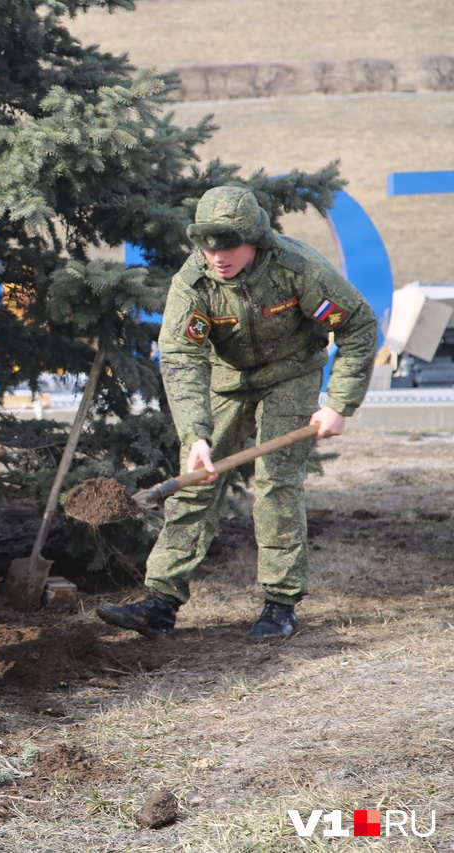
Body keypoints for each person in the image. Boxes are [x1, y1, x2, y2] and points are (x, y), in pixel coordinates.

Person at [96, 186, 377, 642]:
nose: (218, 256)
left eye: (228, 246)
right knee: (195, 481)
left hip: (291, 375)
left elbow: (358, 324)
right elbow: (182, 358)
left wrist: (339, 404)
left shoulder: (296, 268)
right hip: (225, 380)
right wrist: (197, 435)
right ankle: (161, 603)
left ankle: (280, 604)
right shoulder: (194, 284)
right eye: (208, 246)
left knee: (276, 484)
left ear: (255, 241)